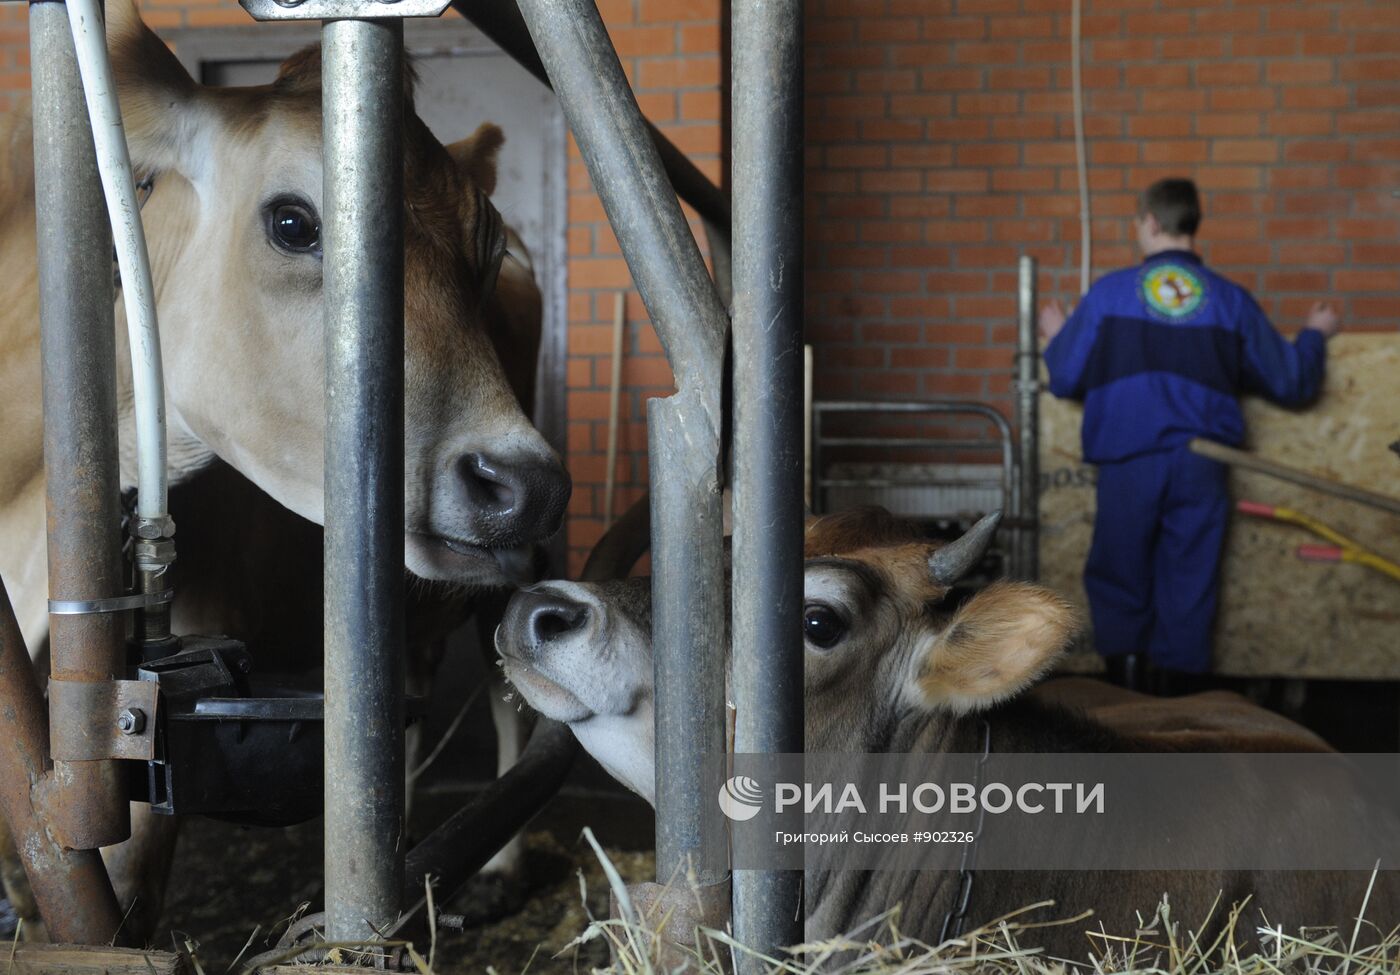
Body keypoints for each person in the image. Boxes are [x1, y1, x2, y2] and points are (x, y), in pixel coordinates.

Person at [1039, 177, 1341, 694]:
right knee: (1189, 580)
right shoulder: (1231, 300)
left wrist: (1055, 335)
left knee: (1119, 573)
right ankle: (1179, 715)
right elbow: (1292, 384)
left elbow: (1065, 377)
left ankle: (1129, 705)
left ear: (1150, 223)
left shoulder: (1109, 295)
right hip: (1202, 461)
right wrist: (1315, 334)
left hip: (1129, 457)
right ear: (1190, 224)